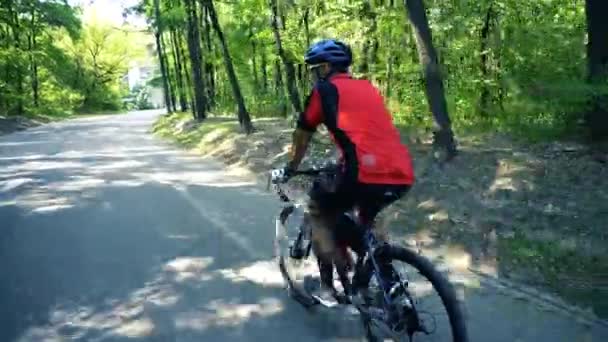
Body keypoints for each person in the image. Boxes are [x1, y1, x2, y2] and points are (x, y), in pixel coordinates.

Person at [282, 39, 415, 305]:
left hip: (362, 171)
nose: (314, 75)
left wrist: (290, 168)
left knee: (318, 209)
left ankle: (328, 288)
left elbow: (303, 134)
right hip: (401, 171)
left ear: (328, 67)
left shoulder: (325, 90)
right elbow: (366, 133)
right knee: (366, 223)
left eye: (316, 69)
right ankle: (387, 284)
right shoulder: (369, 88)